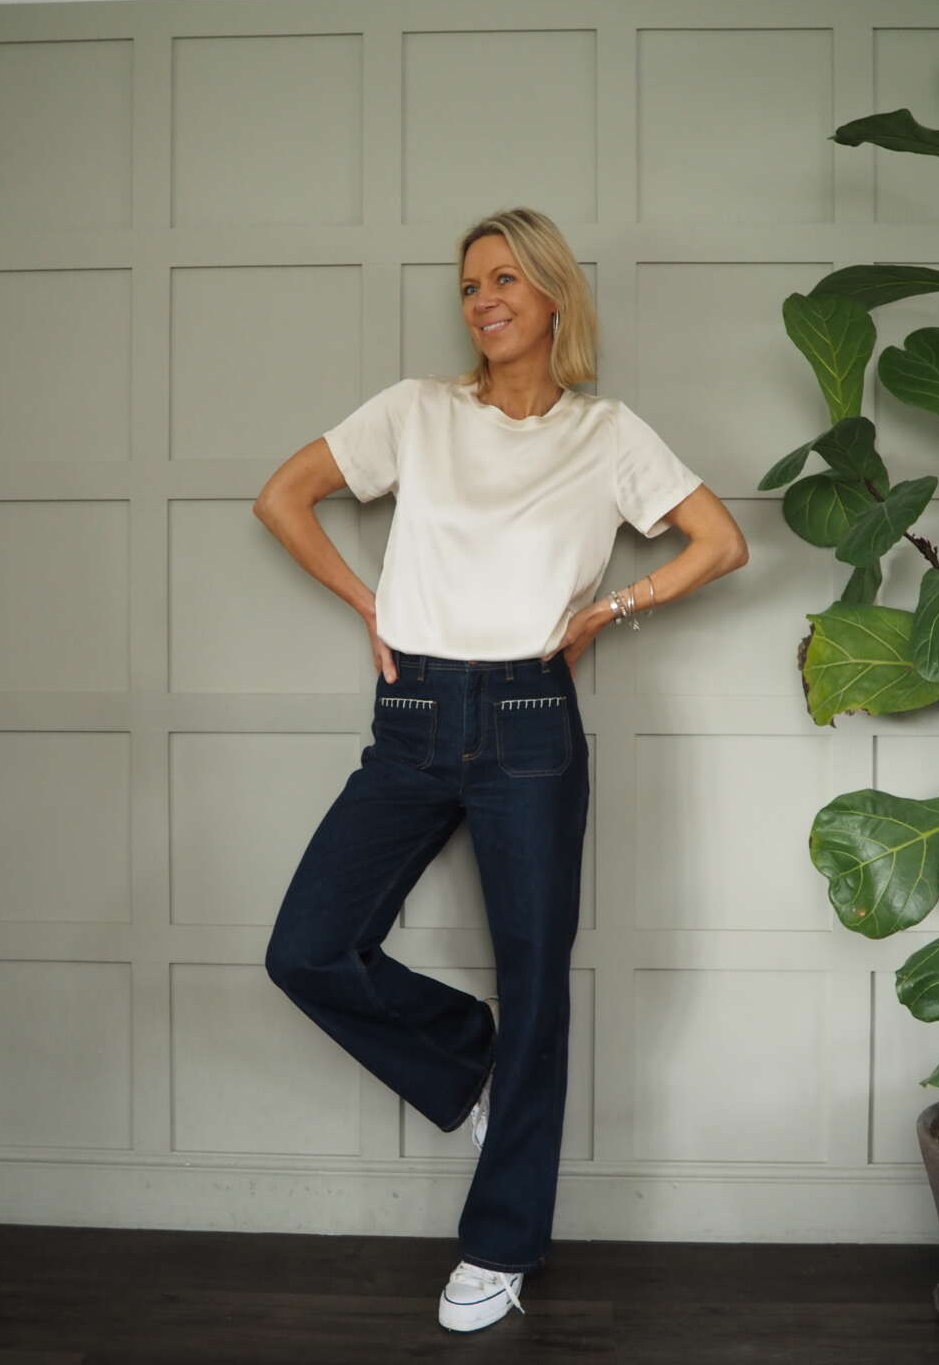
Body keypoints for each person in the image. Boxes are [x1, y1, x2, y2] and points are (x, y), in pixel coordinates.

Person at [253, 206, 749, 1334]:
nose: (484, 299)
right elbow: (282, 495)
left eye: (508, 279)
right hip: (414, 711)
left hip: (531, 716)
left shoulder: (607, 433)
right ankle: (473, 1060)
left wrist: (612, 608)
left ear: (554, 294)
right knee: (308, 947)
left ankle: (502, 1243)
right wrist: (368, 602)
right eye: (472, 284)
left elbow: (721, 542)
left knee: (536, 982)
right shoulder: (415, 412)